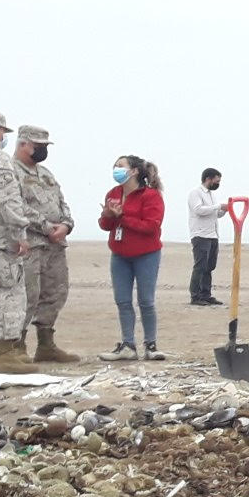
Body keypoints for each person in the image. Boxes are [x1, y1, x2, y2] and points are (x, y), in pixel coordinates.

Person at [14, 126, 76, 363]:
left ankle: (46, 344)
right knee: (28, 294)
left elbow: (62, 201)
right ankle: (17, 347)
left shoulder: (46, 173)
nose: (43, 151)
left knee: (55, 292)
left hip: (55, 246)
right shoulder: (10, 172)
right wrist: (47, 228)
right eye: (38, 146)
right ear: (23, 144)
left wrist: (66, 225)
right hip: (30, 244)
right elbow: (15, 206)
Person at [97, 155, 165, 362]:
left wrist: (122, 218)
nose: (116, 169)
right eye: (115, 165)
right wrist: (109, 215)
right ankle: (128, 345)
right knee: (123, 301)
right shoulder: (113, 194)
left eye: (120, 166)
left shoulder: (151, 196)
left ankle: (151, 346)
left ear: (134, 171)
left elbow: (151, 226)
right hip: (120, 255)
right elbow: (105, 225)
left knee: (146, 301)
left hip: (146, 255)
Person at [0, 111, 35, 375]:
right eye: (2, 132)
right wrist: (19, 234)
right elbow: (7, 199)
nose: (3, 137)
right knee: (6, 294)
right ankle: (5, 352)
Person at [187, 167, 225, 306]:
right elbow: (198, 210)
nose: (217, 183)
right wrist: (217, 206)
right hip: (200, 234)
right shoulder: (195, 193)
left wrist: (223, 210)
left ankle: (206, 294)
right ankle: (195, 295)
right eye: (216, 181)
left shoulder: (212, 195)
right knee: (200, 266)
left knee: (209, 266)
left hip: (213, 234)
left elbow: (215, 214)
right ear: (208, 179)